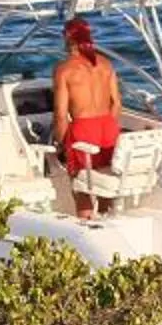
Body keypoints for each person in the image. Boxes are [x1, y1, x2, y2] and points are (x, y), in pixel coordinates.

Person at [52, 16, 123, 219]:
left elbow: (60, 114)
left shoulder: (64, 70)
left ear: (67, 37)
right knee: (103, 178)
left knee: (81, 185)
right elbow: (117, 103)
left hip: (83, 130)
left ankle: (85, 222)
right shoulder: (106, 64)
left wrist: (60, 143)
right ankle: (104, 216)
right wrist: (108, 125)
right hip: (108, 127)